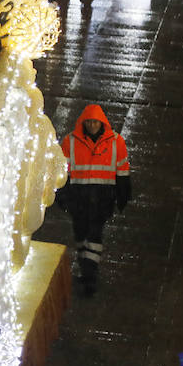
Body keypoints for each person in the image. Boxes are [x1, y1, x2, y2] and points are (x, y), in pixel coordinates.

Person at [58, 104, 131, 295]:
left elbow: (122, 171)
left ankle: (90, 276)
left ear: (102, 123)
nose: (92, 125)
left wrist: (123, 195)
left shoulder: (116, 142)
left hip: (102, 199)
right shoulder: (70, 142)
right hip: (79, 198)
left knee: (94, 235)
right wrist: (62, 195)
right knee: (81, 236)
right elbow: (61, 171)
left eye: (95, 122)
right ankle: (86, 269)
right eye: (89, 122)